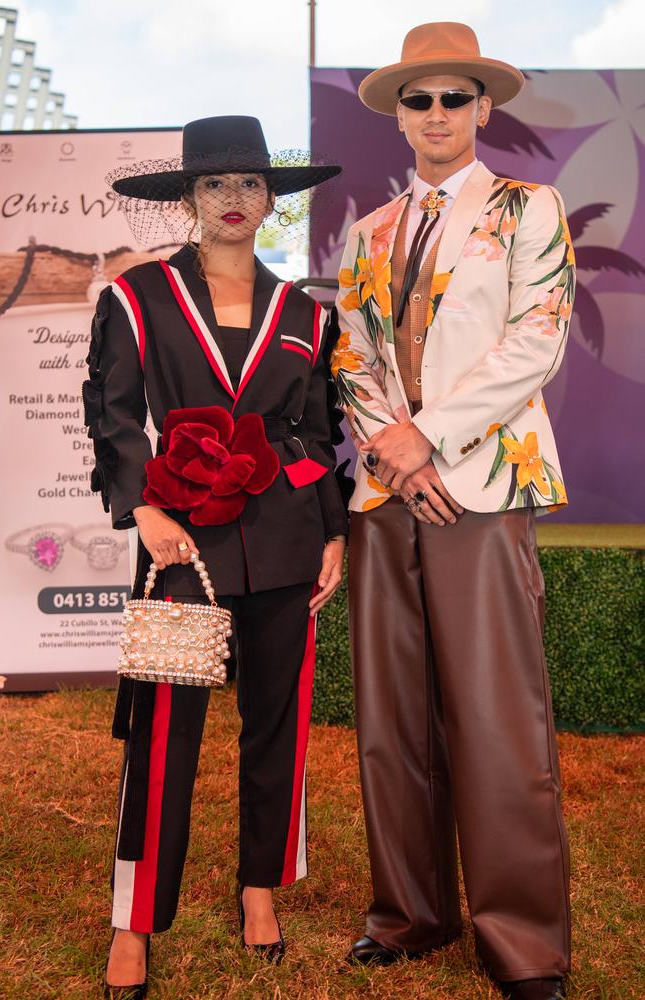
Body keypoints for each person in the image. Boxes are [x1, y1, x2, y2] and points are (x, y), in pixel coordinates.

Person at [332, 23, 574, 1000]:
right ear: (399, 116)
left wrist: (427, 435)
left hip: (477, 483)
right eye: (415, 99)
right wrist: (391, 448)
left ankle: (520, 940)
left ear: (481, 109)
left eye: (450, 98)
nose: (433, 114)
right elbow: (349, 356)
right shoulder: (364, 234)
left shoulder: (529, 207)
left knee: (494, 715)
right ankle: (408, 913)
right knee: (391, 716)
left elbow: (532, 345)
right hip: (384, 495)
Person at [83, 115, 347, 997]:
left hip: (285, 541)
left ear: (271, 200)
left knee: (278, 724)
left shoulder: (307, 314)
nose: (233, 202)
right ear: (188, 201)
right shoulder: (137, 296)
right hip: (180, 542)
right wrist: (144, 506)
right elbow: (113, 413)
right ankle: (136, 919)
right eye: (214, 186)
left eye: (248, 186)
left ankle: (259, 888)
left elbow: (316, 435)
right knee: (162, 735)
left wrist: (333, 531)